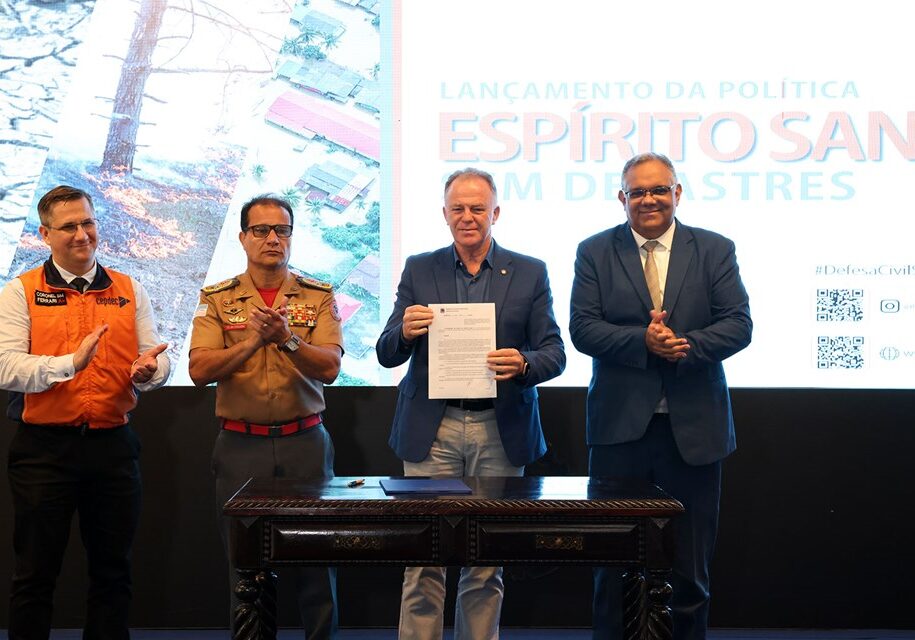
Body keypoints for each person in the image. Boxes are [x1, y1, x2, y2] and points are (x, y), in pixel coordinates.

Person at [376, 168, 566, 640]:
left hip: (500, 430)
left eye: (477, 208)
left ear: (495, 213)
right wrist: (405, 332)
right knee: (424, 560)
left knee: (485, 563)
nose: (467, 217)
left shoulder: (530, 271)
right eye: (458, 208)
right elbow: (385, 352)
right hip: (432, 429)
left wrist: (524, 362)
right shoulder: (420, 268)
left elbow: (554, 352)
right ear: (444, 214)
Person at [569, 152, 752, 640]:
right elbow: (582, 328)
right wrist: (643, 341)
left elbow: (739, 324)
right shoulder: (594, 251)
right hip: (619, 432)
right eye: (637, 192)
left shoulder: (714, 249)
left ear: (677, 193)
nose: (648, 199)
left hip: (695, 433)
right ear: (622, 197)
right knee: (613, 568)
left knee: (689, 569)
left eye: (658, 190)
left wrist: (683, 346)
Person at [0, 185, 170, 640]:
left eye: (88, 222)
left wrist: (150, 372)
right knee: (34, 575)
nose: (82, 234)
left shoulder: (129, 288)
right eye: (69, 226)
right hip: (43, 452)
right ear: (45, 234)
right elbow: (5, 367)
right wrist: (69, 365)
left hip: (112, 448)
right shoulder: (20, 291)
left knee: (113, 573)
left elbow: (155, 359)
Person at [188, 194, 342, 639]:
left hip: (305, 444)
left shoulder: (317, 295)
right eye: (261, 230)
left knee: (318, 561)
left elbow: (330, 368)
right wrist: (254, 341)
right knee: (244, 565)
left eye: (282, 230)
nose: (273, 238)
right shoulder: (217, 298)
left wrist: (287, 339)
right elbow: (199, 370)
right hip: (241, 446)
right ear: (243, 237)